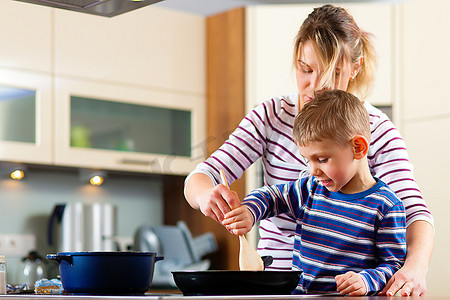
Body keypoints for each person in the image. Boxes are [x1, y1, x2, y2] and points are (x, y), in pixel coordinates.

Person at [184, 4, 434, 296]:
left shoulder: (377, 130)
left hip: (347, 289)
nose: (314, 86)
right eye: (306, 69)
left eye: (332, 73)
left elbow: (413, 211)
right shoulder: (271, 116)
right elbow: (202, 178)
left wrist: (414, 268)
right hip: (279, 284)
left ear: (355, 68)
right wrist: (208, 197)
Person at [222, 90, 407, 295]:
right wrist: (249, 211)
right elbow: (271, 196)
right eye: (307, 160)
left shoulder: (387, 206)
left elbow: (393, 265)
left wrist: (366, 280)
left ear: (358, 147)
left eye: (322, 159)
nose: (313, 170)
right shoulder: (310, 187)